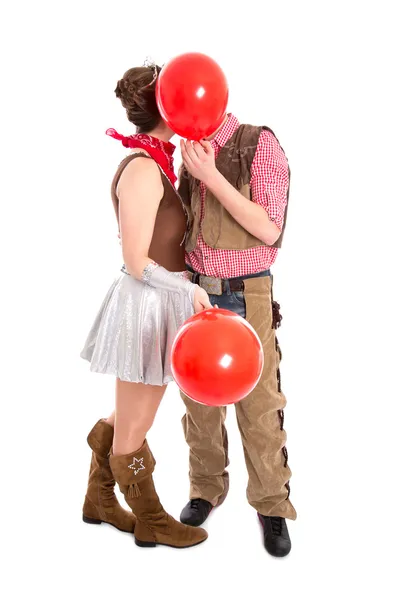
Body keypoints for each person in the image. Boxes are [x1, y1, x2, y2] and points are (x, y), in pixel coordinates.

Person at [80, 63, 210, 549]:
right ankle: (151, 519)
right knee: (137, 423)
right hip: (145, 307)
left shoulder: (157, 163)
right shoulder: (140, 168)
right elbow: (136, 262)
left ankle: (99, 498)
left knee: (127, 415)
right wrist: (186, 290)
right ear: (166, 107)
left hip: (160, 303)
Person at [177, 113, 296, 557]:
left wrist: (210, 174)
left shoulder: (257, 144)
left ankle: (272, 503)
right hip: (195, 294)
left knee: (259, 404)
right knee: (199, 404)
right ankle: (205, 487)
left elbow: (269, 230)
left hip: (247, 294)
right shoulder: (187, 146)